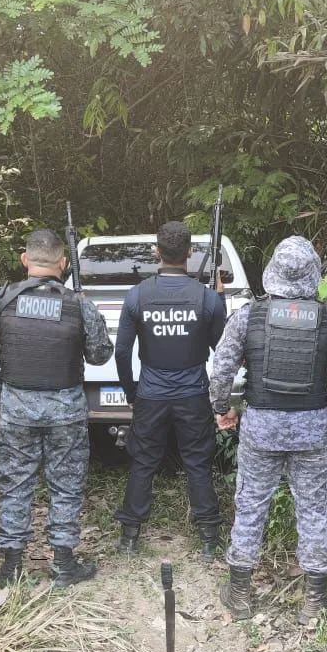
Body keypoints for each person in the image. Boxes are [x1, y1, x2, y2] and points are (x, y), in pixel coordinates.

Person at [210, 236, 327, 621]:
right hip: (313, 429)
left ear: (273, 270)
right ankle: (314, 600)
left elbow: (222, 368)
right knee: (313, 509)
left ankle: (240, 594)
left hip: (262, 427)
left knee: (250, 506)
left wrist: (222, 408)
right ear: (314, 273)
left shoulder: (248, 316)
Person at [0, 229, 113, 587]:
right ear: (63, 264)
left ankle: (12, 567)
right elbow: (100, 354)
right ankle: (64, 564)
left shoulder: (0, 300)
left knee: (15, 484)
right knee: (65, 486)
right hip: (65, 410)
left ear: (25, 259)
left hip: (16, 407)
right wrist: (84, 312)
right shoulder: (77, 304)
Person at [115, 220, 227, 558]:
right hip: (193, 394)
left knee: (143, 461)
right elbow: (221, 351)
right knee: (197, 462)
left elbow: (122, 351)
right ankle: (208, 540)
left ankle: (129, 538)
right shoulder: (207, 299)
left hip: (150, 393)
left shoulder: (137, 295)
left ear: (156, 253)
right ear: (190, 253)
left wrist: (131, 393)